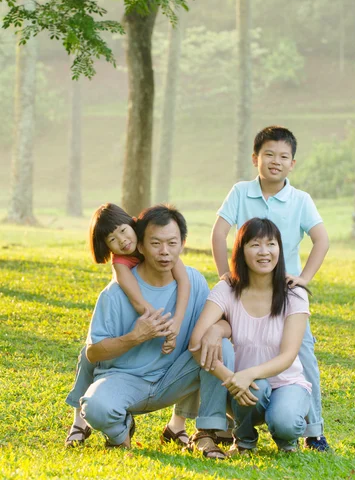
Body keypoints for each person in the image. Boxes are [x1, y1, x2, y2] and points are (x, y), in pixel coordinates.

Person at [78, 204, 234, 457]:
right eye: (155, 244)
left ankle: (206, 432)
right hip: (126, 380)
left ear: (182, 243)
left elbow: (227, 323)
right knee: (96, 407)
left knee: (220, 346)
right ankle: (121, 431)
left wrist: (218, 329)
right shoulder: (115, 293)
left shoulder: (193, 280)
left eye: (172, 243)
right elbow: (93, 353)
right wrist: (134, 337)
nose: (164, 252)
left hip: (175, 377)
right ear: (140, 245)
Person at [211, 126, 330, 451]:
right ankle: (216, 426)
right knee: (227, 348)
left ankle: (314, 431)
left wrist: (303, 278)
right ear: (255, 159)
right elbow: (218, 233)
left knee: (302, 354)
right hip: (246, 293)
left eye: (283, 157)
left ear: (292, 163)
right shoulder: (240, 192)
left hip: (283, 296)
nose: (275, 161)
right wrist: (226, 276)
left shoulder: (300, 199)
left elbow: (322, 240)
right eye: (269, 155)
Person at [65, 203, 190, 447]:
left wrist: (176, 322)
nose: (122, 241)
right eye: (112, 239)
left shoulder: (156, 245)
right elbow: (136, 298)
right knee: (91, 353)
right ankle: (79, 420)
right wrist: (159, 324)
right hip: (135, 318)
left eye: (123, 230)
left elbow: (184, 281)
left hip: (157, 347)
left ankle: (178, 426)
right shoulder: (121, 263)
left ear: (133, 223)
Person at [190, 218, 312, 455]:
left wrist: (249, 374)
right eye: (255, 245)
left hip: (287, 382)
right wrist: (232, 377)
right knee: (255, 388)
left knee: (285, 421)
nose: (264, 252)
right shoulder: (227, 289)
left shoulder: (294, 293)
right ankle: (244, 441)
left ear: (279, 249)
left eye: (271, 244)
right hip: (246, 389)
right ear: (241, 251)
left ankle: (287, 440)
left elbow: (288, 356)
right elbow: (195, 342)